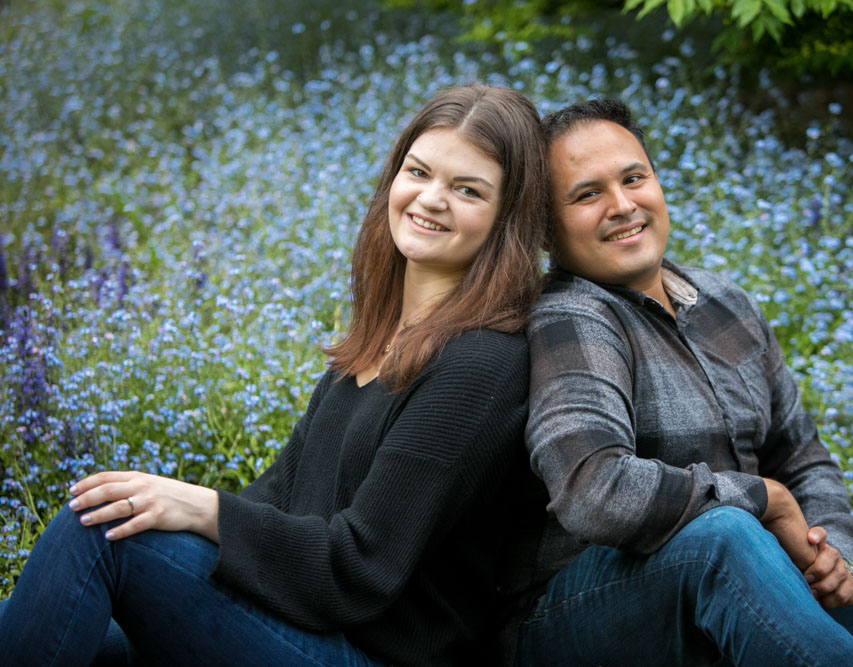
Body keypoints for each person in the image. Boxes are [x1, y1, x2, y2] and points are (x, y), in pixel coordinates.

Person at [0, 84, 548, 666]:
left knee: (100, 532)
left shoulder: (482, 364)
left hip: (370, 655)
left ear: (506, 220)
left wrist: (202, 508)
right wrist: (186, 525)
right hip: (300, 630)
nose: (432, 199)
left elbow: (360, 569)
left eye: (467, 190)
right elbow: (278, 500)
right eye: (419, 172)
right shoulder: (372, 345)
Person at [503, 98, 853, 666]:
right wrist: (764, 500)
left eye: (633, 178)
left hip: (738, 580)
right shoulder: (569, 316)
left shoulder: (725, 303)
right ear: (544, 230)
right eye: (587, 194)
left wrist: (829, 553)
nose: (622, 206)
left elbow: (803, 455)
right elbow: (596, 492)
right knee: (725, 536)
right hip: (579, 617)